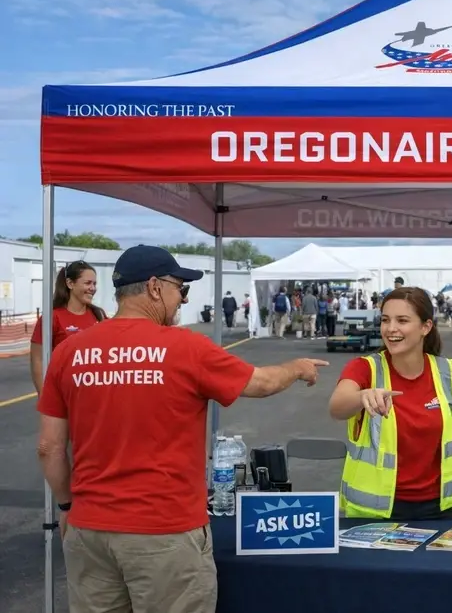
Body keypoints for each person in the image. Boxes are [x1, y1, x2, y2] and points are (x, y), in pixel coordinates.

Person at [36, 245, 329, 613]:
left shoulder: (69, 353)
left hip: (89, 531)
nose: (182, 301)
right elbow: (260, 383)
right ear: (155, 287)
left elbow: (49, 447)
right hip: (164, 532)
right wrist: (298, 367)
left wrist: (66, 505)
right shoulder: (185, 347)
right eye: (181, 289)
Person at [329, 286, 452, 526]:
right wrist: (361, 396)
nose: (391, 329)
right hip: (374, 514)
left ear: (425, 327)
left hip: (437, 511)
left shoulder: (449, 373)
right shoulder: (365, 368)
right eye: (385, 320)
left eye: (402, 320)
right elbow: (337, 406)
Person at [31, 260, 107, 394]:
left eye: (94, 284)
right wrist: (44, 397)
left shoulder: (99, 315)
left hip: (95, 395)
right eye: (87, 283)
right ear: (70, 283)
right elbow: (38, 360)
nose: (93, 288)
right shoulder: (52, 317)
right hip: (64, 394)